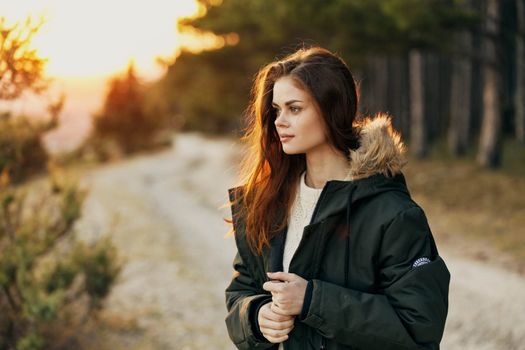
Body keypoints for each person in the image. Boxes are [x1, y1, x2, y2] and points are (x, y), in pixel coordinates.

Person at [224, 46, 450, 350]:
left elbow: (419, 329)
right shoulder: (267, 201)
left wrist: (312, 301)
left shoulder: (393, 214)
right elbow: (242, 290)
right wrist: (255, 316)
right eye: (276, 110)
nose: (279, 121)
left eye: (294, 108)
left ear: (332, 109)